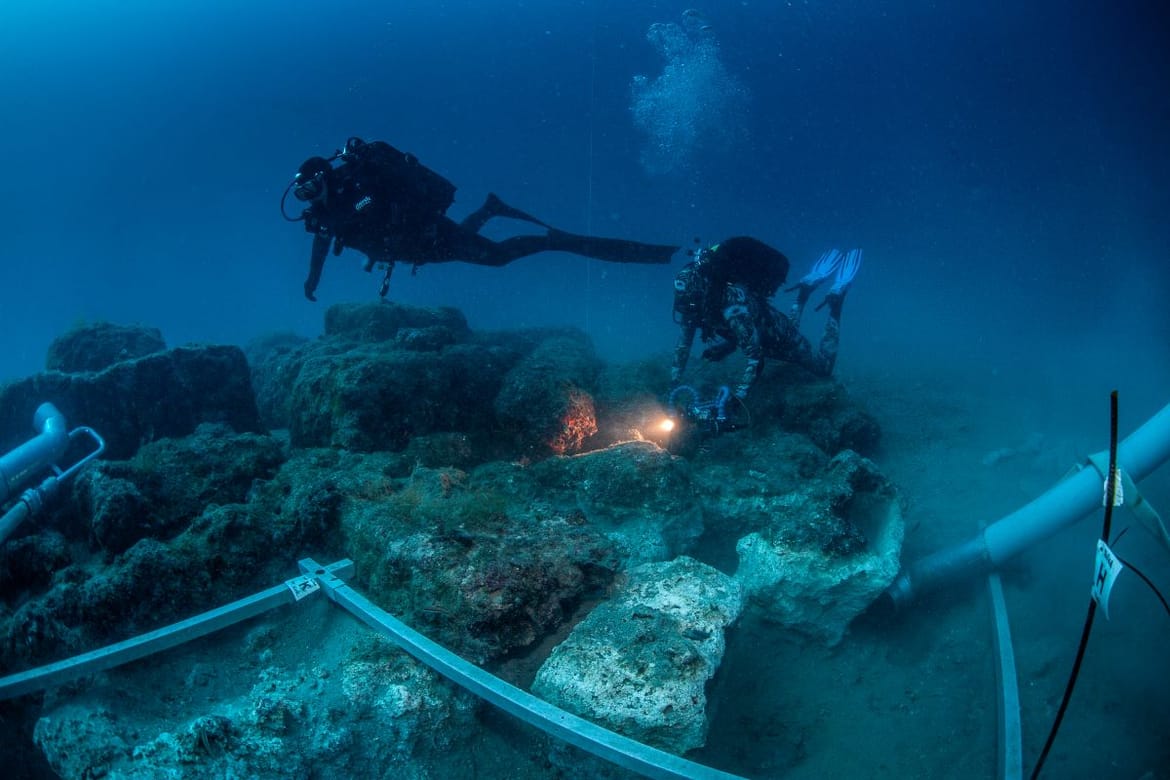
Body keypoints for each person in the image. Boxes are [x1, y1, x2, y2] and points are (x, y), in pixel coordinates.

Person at [283, 137, 680, 301]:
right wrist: (311, 278)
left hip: (427, 236)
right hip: (416, 250)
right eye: (303, 193)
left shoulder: (359, 185)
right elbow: (322, 236)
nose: (308, 197)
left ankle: (555, 240)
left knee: (496, 257)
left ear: (325, 177)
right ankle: (490, 208)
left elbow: (366, 212)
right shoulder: (323, 211)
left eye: (311, 188)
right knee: (465, 245)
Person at [670, 236, 862, 399]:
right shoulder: (699, 304)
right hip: (770, 328)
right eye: (682, 299)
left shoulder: (730, 303)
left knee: (822, 368)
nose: (685, 305)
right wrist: (673, 387)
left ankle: (836, 302)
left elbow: (755, 356)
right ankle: (804, 291)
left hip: (779, 336)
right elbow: (684, 346)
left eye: (688, 298)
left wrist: (739, 398)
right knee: (788, 328)